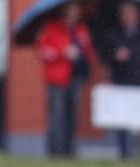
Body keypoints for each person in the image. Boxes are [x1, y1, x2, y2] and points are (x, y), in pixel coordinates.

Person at [95, 1, 140, 158]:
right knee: (121, 120)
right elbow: (104, 57)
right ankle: (123, 153)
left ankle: (136, 151)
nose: (128, 17)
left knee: (137, 121)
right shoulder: (114, 35)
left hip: (138, 84)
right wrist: (116, 56)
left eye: (131, 14)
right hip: (120, 83)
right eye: (125, 14)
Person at [36, 2, 96, 157]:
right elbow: (42, 51)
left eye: (76, 11)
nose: (74, 14)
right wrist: (62, 52)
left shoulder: (81, 29)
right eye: (71, 11)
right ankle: (56, 152)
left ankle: (70, 152)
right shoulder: (52, 28)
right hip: (57, 79)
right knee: (57, 116)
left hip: (75, 78)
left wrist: (82, 53)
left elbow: (88, 51)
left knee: (73, 117)